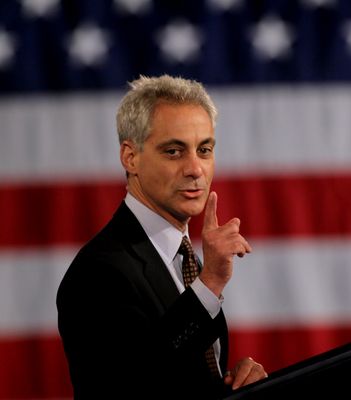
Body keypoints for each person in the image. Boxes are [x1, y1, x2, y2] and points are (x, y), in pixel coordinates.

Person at [56, 75, 267, 399]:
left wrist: (229, 388)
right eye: (173, 151)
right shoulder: (100, 271)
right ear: (131, 157)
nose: (196, 168)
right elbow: (133, 386)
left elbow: (178, 375)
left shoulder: (186, 261)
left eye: (205, 149)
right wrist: (209, 284)